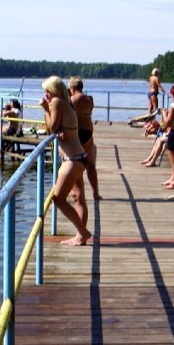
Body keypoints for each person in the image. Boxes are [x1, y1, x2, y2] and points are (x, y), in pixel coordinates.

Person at [40, 75, 92, 246]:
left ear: (52, 91)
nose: (45, 95)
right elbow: (58, 128)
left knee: (58, 199)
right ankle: (80, 235)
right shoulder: (65, 103)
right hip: (79, 156)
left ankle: (83, 233)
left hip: (72, 159)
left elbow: (52, 127)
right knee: (78, 198)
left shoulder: (55, 103)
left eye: (46, 91)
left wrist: (45, 109)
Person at [69, 76, 102, 200]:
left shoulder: (71, 100)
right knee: (90, 164)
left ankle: (74, 190)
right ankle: (95, 192)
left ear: (72, 88)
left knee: (73, 163)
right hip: (88, 131)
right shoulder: (89, 99)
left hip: (76, 132)